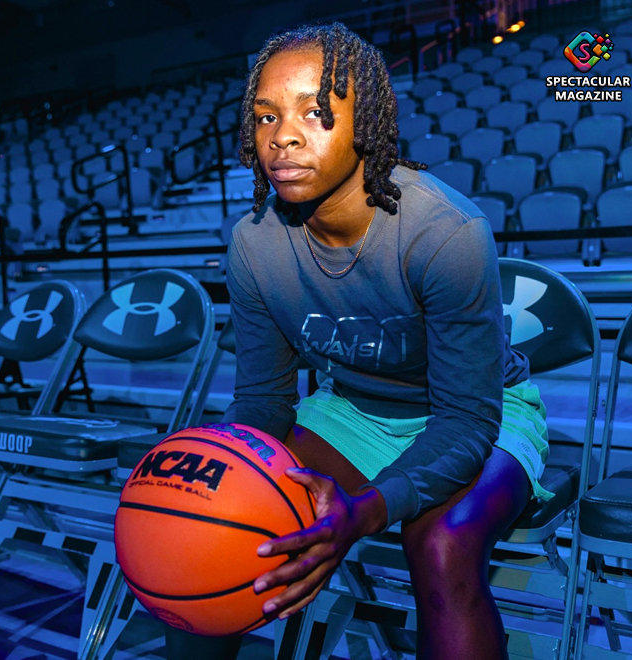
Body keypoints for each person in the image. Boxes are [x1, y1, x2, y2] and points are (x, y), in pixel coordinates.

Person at [164, 22, 554, 660]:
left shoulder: (444, 232)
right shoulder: (254, 244)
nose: (282, 136)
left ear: (365, 123)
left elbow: (464, 419)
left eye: (315, 112)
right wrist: (212, 469)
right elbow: (263, 401)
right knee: (220, 521)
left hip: (482, 411)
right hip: (353, 411)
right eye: (265, 116)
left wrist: (367, 510)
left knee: (440, 544)